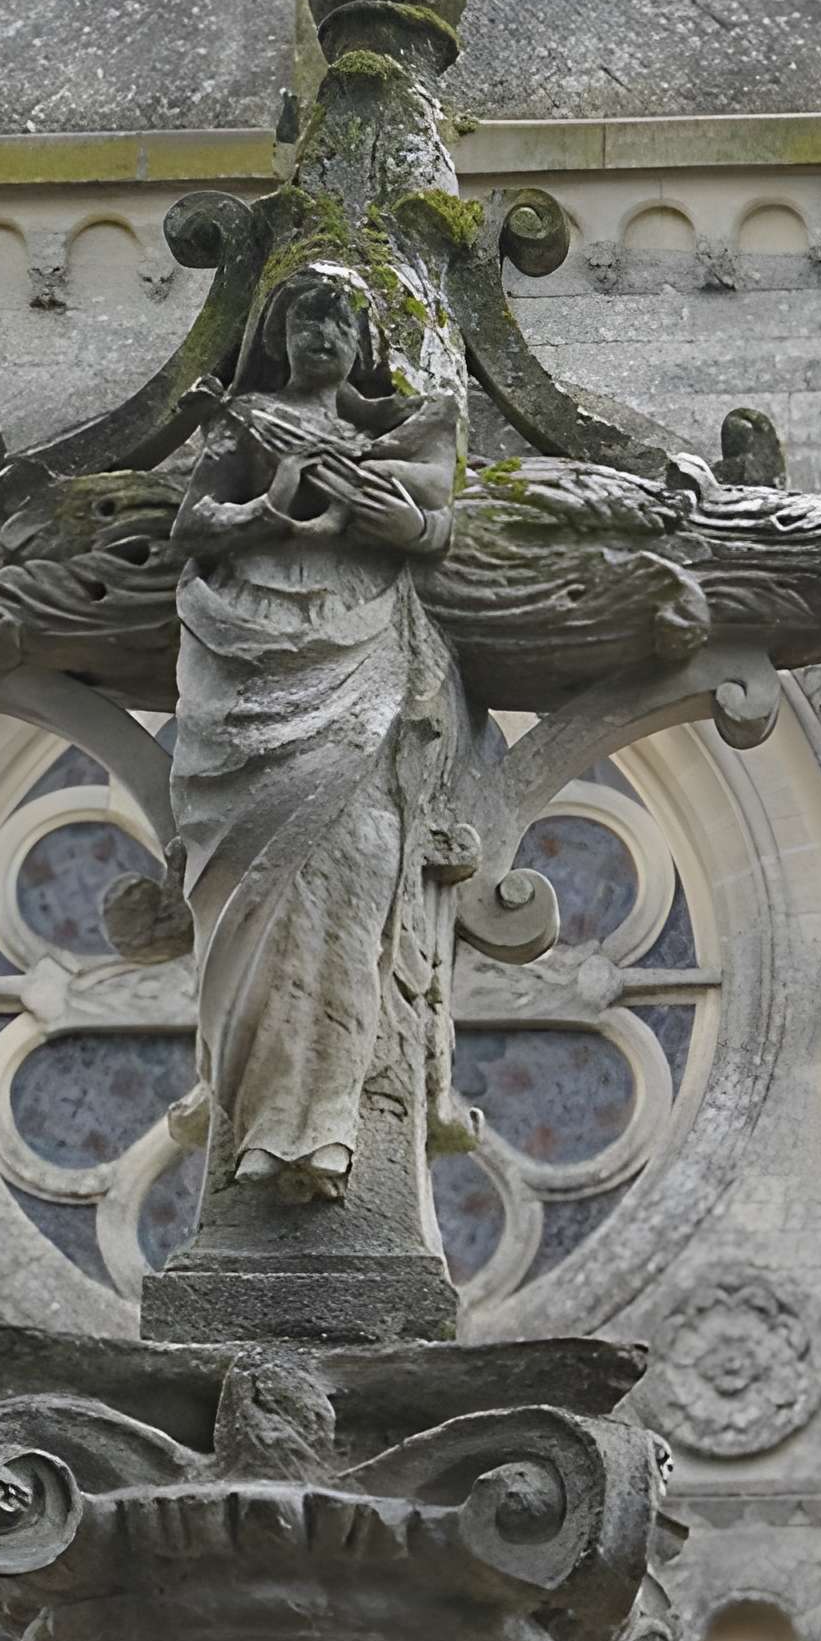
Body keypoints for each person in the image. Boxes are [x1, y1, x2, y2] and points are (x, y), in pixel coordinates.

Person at [167, 267, 466, 1203]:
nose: (325, 337)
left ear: (364, 346)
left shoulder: (393, 435)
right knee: (255, 896)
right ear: (281, 335)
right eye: (308, 319)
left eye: (343, 323)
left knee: (359, 872)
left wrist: (399, 516)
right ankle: (258, 1129)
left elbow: (434, 522)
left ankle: (325, 1131)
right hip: (251, 651)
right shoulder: (243, 419)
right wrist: (270, 503)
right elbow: (193, 520)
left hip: (361, 647)